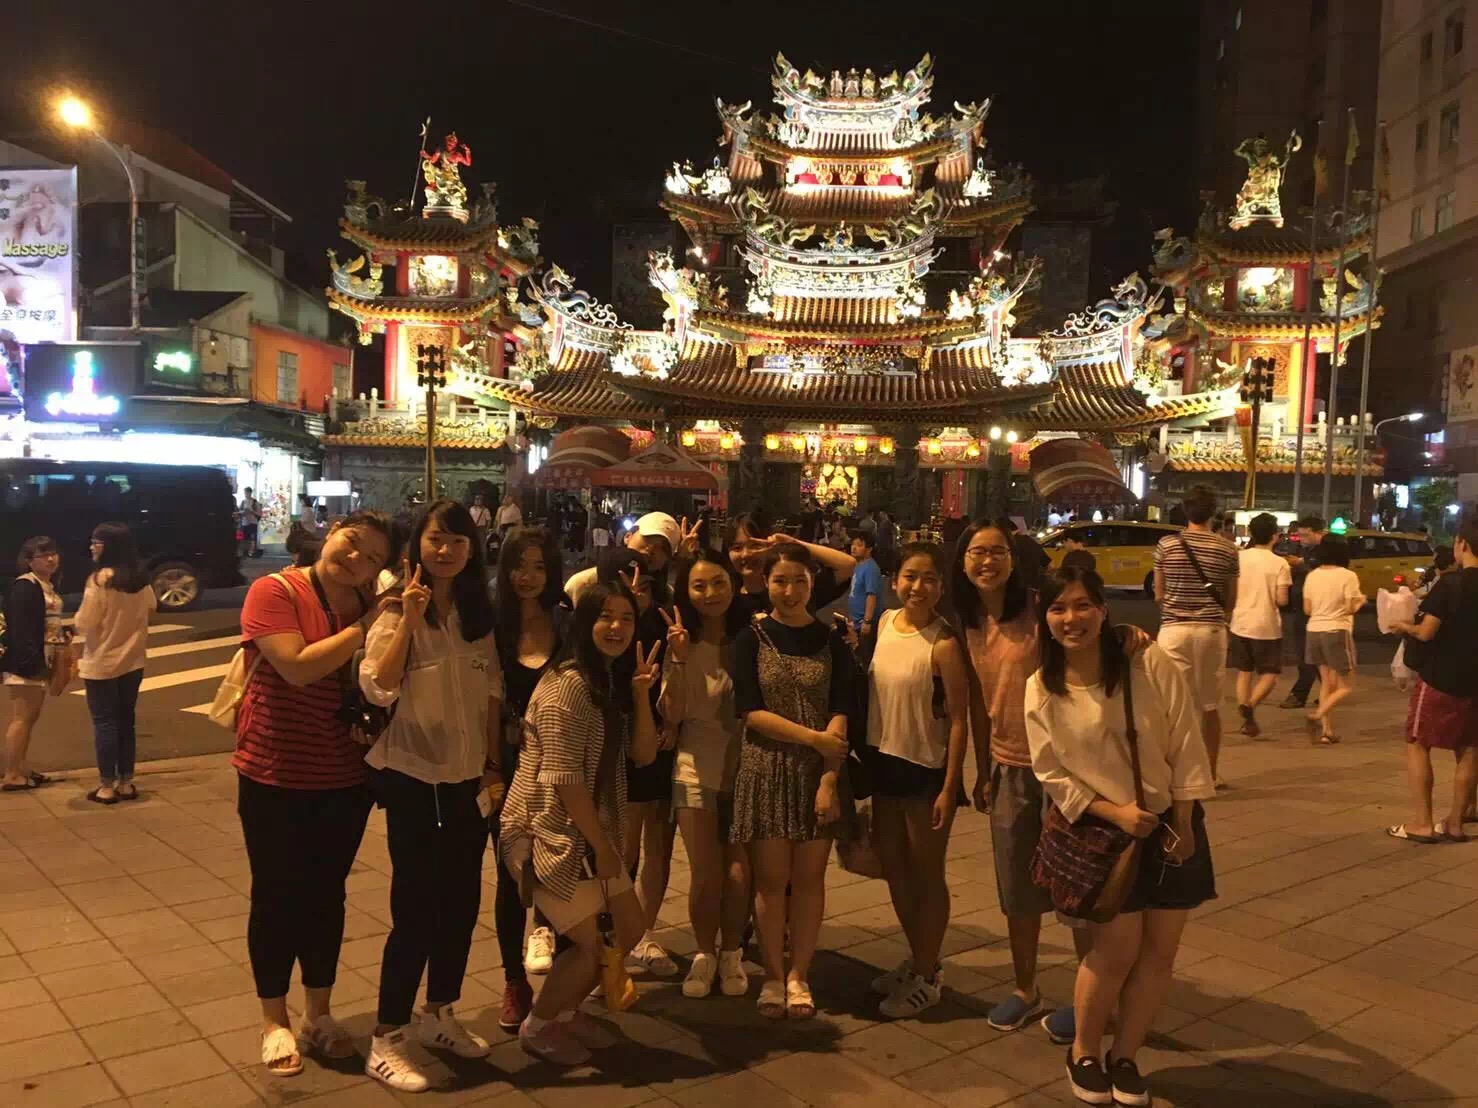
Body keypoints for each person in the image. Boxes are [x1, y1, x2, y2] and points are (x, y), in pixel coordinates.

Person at [1024, 566, 1216, 1108]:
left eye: (1082, 605)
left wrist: (1183, 819)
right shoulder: (1041, 687)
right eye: (1058, 608)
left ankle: (1126, 1056)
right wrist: (1115, 813)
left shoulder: (1145, 661)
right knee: (1114, 952)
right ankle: (1084, 1052)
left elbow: (1185, 738)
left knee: (1160, 953)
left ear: (1103, 610)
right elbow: (1051, 772)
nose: (1071, 618)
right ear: (1045, 618)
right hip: (1105, 834)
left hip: (1170, 824)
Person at [235, 510, 400, 1079]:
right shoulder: (275, 591)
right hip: (273, 772)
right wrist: (369, 623)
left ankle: (319, 1014)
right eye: (352, 543)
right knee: (275, 895)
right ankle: (273, 1020)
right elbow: (296, 668)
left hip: (343, 777)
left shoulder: (370, 603)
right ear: (331, 534)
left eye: (373, 558)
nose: (356, 560)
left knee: (327, 897)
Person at [358, 500, 503, 1091]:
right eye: (436, 539)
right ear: (416, 544)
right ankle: (386, 1036)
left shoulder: (475, 613)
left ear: (472, 550)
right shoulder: (396, 610)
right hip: (414, 778)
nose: (446, 551)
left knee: (462, 904)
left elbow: (492, 693)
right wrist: (410, 620)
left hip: (467, 780)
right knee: (415, 910)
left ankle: (439, 1012)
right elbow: (378, 687)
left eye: (458, 541)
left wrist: (491, 768)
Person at [498, 579, 661, 1065]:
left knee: (628, 928)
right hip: (543, 833)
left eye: (626, 618)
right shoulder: (566, 687)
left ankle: (565, 1012)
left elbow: (644, 755)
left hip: (588, 833)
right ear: (584, 622)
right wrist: (605, 850)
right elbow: (565, 780)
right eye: (605, 616)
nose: (616, 627)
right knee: (592, 946)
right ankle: (539, 1025)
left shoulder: (607, 682)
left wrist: (641, 695)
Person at [951, 520, 1090, 1044]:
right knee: (1017, 887)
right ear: (962, 560)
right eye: (977, 552)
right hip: (1009, 767)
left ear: (1013, 558)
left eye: (997, 551)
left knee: (1077, 887)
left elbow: (1085, 640)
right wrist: (983, 769)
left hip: (1066, 769)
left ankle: (1091, 996)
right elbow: (978, 703)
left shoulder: (1039, 608)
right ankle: (1026, 988)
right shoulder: (966, 621)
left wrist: (1126, 635)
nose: (987, 561)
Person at [731, 542, 854, 1019]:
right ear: (766, 583)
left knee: (808, 881)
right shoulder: (751, 638)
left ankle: (799, 974)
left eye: (799, 581)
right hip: (766, 769)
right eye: (780, 581)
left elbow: (841, 707)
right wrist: (813, 738)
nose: (789, 590)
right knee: (770, 881)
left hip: (817, 773)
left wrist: (829, 779)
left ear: (811, 584)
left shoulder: (831, 639)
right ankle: (772, 976)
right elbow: (749, 710)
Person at [865, 543, 970, 1019]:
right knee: (895, 868)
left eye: (929, 578)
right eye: (910, 576)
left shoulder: (943, 643)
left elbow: (959, 720)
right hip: (883, 761)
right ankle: (920, 958)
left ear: (941, 587)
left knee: (927, 874)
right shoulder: (886, 623)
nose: (918, 586)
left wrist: (950, 786)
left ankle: (927, 976)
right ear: (895, 581)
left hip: (925, 769)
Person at [660, 551, 752, 999]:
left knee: (738, 871)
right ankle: (703, 953)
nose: (710, 593)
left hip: (747, 767)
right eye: (699, 586)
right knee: (705, 872)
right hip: (694, 765)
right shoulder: (680, 641)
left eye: (719, 582)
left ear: (733, 585)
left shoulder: (751, 637)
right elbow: (672, 713)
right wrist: (678, 660)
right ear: (686, 592)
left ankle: (731, 951)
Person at [490, 527, 566, 1029]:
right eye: (519, 565)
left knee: (561, 867)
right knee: (509, 874)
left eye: (538, 567)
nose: (528, 576)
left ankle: (563, 982)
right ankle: (513, 981)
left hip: (558, 767)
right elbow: (485, 702)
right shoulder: (492, 625)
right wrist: (491, 767)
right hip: (508, 767)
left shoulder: (566, 623)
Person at [601, 551, 681, 979]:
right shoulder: (604, 628)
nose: (638, 594)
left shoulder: (667, 624)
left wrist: (672, 722)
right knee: (624, 848)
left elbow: (677, 681)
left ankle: (641, 935)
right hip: (623, 750)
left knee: (658, 846)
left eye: (645, 586)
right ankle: (615, 935)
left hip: (664, 747)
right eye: (629, 586)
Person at [1387, 521, 1478, 843]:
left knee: (1417, 743)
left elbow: (1426, 632)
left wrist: (1404, 626)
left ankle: (1422, 823)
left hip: (1440, 677)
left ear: (1462, 544)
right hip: (1475, 681)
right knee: (1470, 747)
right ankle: (1455, 822)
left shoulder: (1451, 583)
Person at [1152, 487, 1237, 783]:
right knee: (1210, 706)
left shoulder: (1167, 545)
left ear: (1185, 512)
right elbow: (1231, 601)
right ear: (1213, 513)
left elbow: (1159, 595)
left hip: (1173, 630)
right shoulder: (1227, 549)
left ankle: (1175, 772)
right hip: (1210, 630)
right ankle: (1209, 774)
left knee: (1173, 704)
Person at [73, 523, 156, 805]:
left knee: (105, 723)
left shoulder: (100, 580)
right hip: (133, 662)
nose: (92, 547)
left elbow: (85, 621)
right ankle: (126, 782)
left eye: (96, 542)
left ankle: (106, 786)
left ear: (109, 546)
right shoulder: (139, 578)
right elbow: (152, 606)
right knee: (125, 722)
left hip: (102, 663)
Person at [1, 537, 65, 791]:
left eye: (53, 553)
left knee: (30, 718)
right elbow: (21, 630)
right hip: (26, 663)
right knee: (22, 718)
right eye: (43, 555)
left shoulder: (45, 585)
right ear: (29, 561)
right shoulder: (25, 586)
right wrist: (33, 664)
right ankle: (12, 774)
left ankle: (21, 768)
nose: (51, 559)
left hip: (40, 659)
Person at [1228, 512, 1292, 739]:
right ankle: (1250, 706)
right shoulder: (1280, 563)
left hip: (1239, 622)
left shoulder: (1239, 558)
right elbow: (1282, 600)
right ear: (1274, 536)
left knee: (1244, 672)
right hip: (1266, 625)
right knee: (1270, 674)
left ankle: (1246, 718)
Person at [724, 512, 857, 620]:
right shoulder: (725, 596)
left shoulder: (794, 591)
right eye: (737, 548)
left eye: (756, 546)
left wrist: (794, 544)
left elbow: (847, 565)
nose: (746, 554)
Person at [1302, 538, 1366, 745]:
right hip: (1337, 631)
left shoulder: (1312, 576)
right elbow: (1349, 608)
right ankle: (1317, 715)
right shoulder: (1348, 576)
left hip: (1313, 631)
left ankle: (1326, 731)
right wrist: (1361, 602)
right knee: (1346, 686)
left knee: (1326, 683)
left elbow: (1307, 609)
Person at [565, 511, 682, 605]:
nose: (652, 549)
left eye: (663, 548)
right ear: (627, 536)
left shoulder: (666, 597)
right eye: (648, 538)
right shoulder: (583, 584)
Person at [1281, 515, 1326, 709]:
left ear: (1320, 533)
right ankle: (1329, 690)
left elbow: (1323, 573)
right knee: (1310, 653)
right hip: (1300, 608)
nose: (1302, 539)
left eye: (1306, 535)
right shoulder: (1302, 550)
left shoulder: (1326, 552)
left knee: (1308, 654)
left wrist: (1301, 565)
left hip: (1317, 610)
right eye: (1300, 535)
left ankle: (1299, 694)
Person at [848, 531, 883, 637]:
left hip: (865, 623)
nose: (854, 548)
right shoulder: (859, 565)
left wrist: (867, 621)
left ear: (869, 549)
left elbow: (871, 595)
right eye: (853, 544)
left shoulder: (870, 568)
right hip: (856, 621)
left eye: (859, 545)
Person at [240, 487, 263, 558]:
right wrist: (242, 513)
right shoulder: (243, 502)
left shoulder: (255, 502)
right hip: (244, 523)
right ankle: (244, 552)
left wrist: (252, 511)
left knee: (252, 539)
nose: (246, 494)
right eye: (245, 493)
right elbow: (239, 511)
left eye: (247, 493)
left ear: (250, 493)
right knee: (242, 538)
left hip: (253, 523)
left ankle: (252, 552)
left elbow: (259, 514)